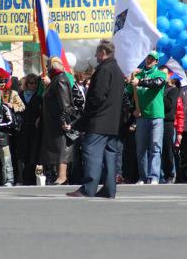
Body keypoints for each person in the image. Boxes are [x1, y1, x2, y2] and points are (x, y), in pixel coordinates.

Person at [67, 40, 125, 198]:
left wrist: (85, 118)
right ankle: (109, 189)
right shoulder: (118, 71)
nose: (95, 56)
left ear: (103, 53)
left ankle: (88, 188)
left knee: (91, 152)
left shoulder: (104, 70)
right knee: (110, 155)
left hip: (99, 121)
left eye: (97, 53)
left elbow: (97, 97)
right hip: (113, 123)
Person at [126, 51, 166, 185]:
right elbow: (126, 95)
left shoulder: (160, 74)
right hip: (141, 117)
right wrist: (133, 110)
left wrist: (140, 82)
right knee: (141, 148)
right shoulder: (137, 75)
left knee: (155, 146)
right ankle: (143, 177)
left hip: (156, 116)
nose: (149, 60)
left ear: (156, 62)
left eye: (152, 59)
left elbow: (157, 83)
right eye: (148, 58)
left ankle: (154, 176)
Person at [39, 57, 74, 185]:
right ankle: (59, 176)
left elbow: (65, 103)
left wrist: (65, 121)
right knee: (56, 148)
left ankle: (62, 176)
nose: (46, 68)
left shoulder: (60, 79)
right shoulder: (55, 80)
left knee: (62, 148)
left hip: (60, 120)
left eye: (48, 66)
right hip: (53, 120)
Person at [158, 65, 184, 184]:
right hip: (157, 121)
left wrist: (160, 93)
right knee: (157, 149)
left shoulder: (173, 90)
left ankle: (170, 174)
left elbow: (169, 106)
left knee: (168, 149)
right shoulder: (155, 88)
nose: (163, 76)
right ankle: (159, 174)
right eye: (161, 74)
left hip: (168, 122)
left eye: (165, 74)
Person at [16, 74, 42, 185]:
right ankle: (21, 178)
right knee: (22, 154)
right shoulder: (19, 96)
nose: (34, 85)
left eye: (36, 83)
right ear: (26, 84)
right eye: (31, 83)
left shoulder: (39, 97)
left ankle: (30, 178)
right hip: (21, 129)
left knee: (32, 154)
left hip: (34, 129)